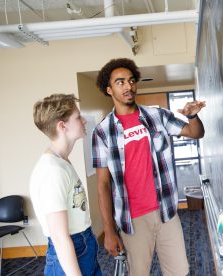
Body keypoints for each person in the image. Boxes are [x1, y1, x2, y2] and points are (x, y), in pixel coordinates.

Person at [92, 58, 205, 276]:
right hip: (132, 218)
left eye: (131, 80)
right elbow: (103, 184)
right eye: (120, 82)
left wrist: (192, 116)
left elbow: (195, 133)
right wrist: (108, 230)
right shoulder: (102, 132)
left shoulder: (157, 116)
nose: (128, 86)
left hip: (166, 211)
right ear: (109, 89)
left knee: (180, 271)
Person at [30, 94, 102, 276]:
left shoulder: (61, 162)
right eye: (78, 117)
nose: (84, 120)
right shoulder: (52, 170)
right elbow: (60, 237)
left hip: (83, 243)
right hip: (71, 250)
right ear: (62, 126)